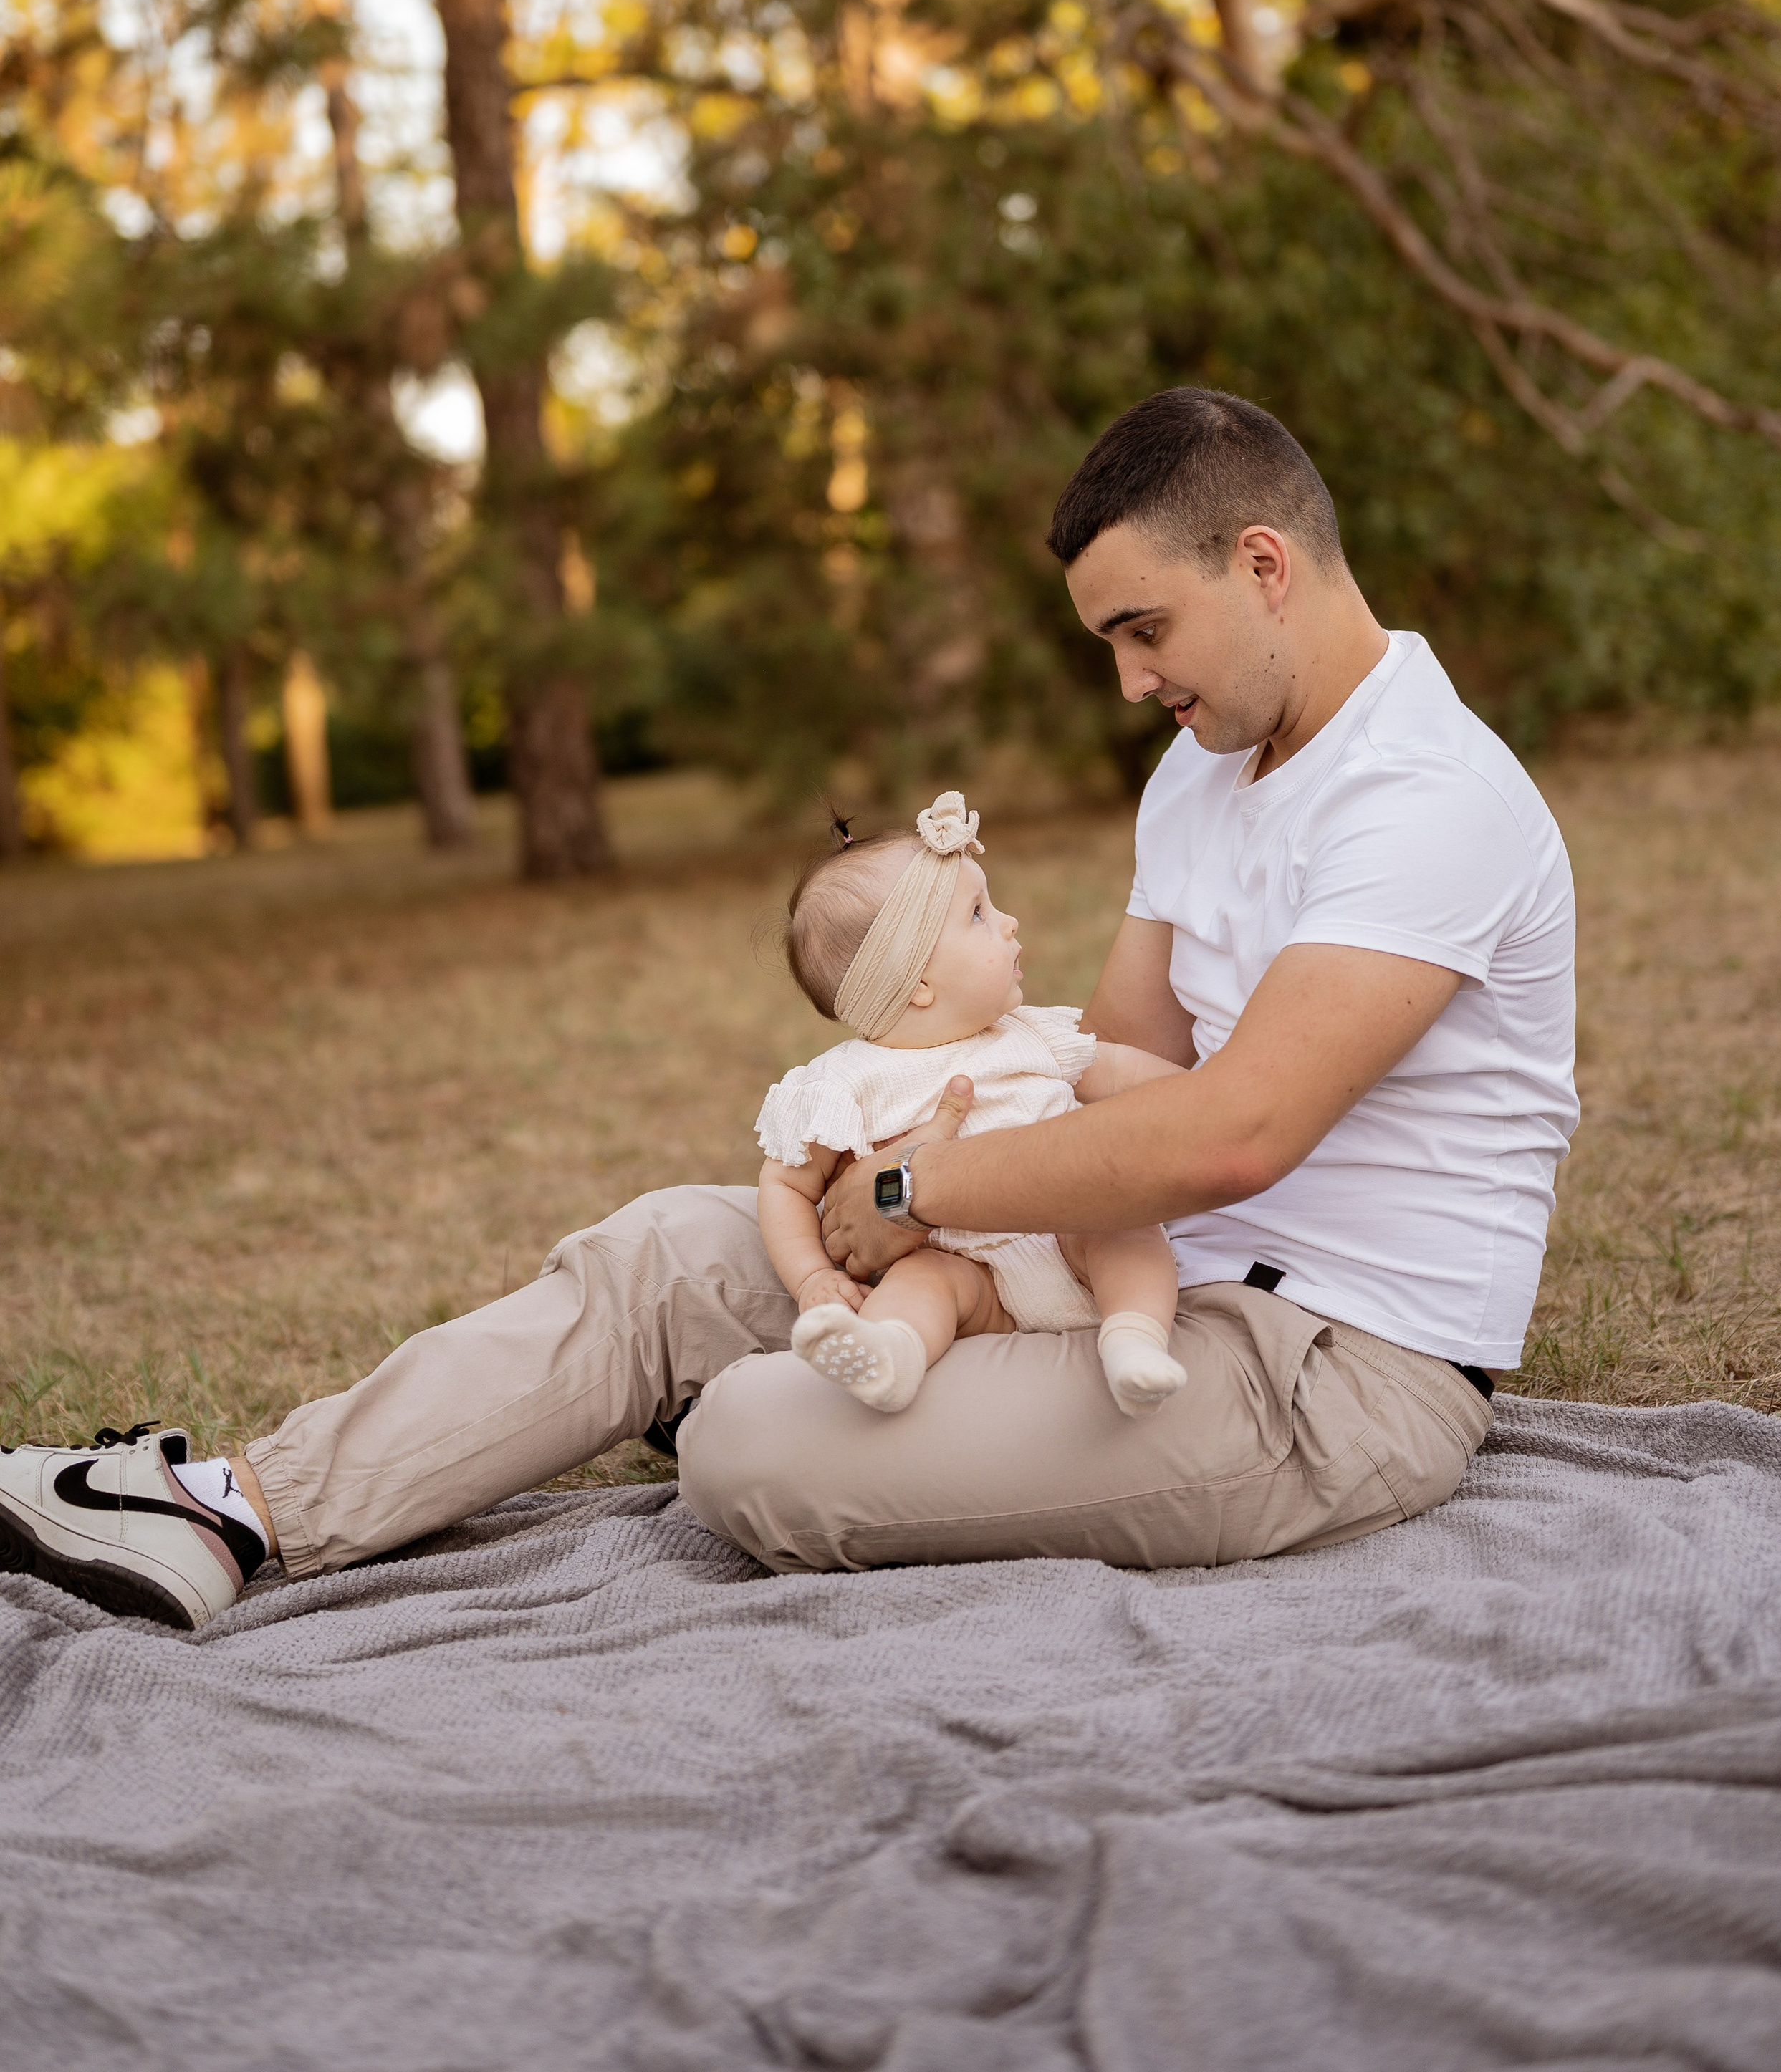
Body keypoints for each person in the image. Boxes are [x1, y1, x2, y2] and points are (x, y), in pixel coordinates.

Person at [0, 389, 1578, 1631]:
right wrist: (887, 1147)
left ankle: (766, 1407)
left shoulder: (1426, 794)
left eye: (1142, 631)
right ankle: (236, 1511)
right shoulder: (1201, 773)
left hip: (1324, 1372)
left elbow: (1233, 1131)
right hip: (1093, 1278)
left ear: (1262, 564)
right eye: (1108, 641)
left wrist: (911, 1192)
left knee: (753, 1443)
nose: (1128, 682)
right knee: (665, 1255)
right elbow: (1114, 1067)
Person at [759, 790, 1188, 1418]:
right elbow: (786, 1185)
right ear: (919, 984)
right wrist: (810, 1277)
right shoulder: (845, 1084)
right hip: (971, 1276)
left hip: (1073, 1236)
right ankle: (892, 1352)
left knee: (1124, 1227)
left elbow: (1130, 1076)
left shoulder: (1030, 1035)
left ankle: (1134, 1340)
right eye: (980, 914)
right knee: (923, 1282)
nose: (1009, 922)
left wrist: (1208, 1093)